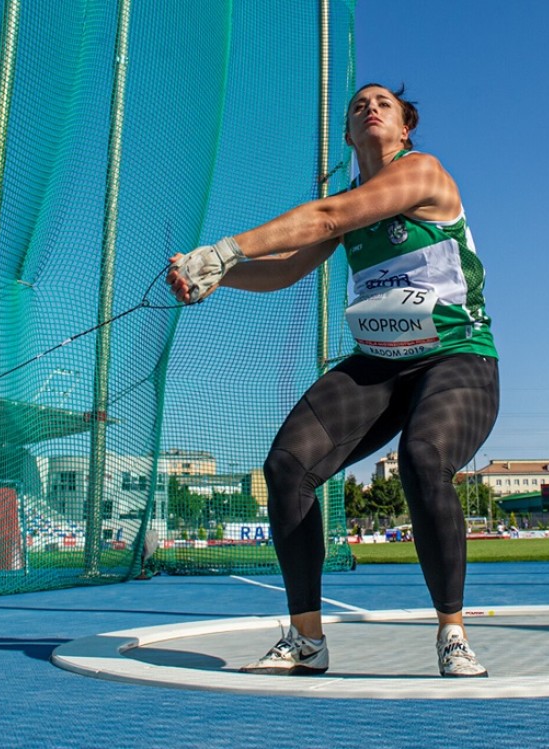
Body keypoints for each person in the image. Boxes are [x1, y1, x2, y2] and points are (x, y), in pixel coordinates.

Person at [167, 83, 499, 678]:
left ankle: (452, 630)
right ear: (349, 134)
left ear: (404, 129)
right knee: (287, 467)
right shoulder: (351, 200)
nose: (369, 108)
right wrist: (221, 278)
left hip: (458, 358)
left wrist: (225, 250)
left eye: (384, 105)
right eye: (358, 106)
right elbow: (289, 269)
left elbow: (326, 216)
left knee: (423, 457)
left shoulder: (422, 173)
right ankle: (307, 639)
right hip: (379, 364)